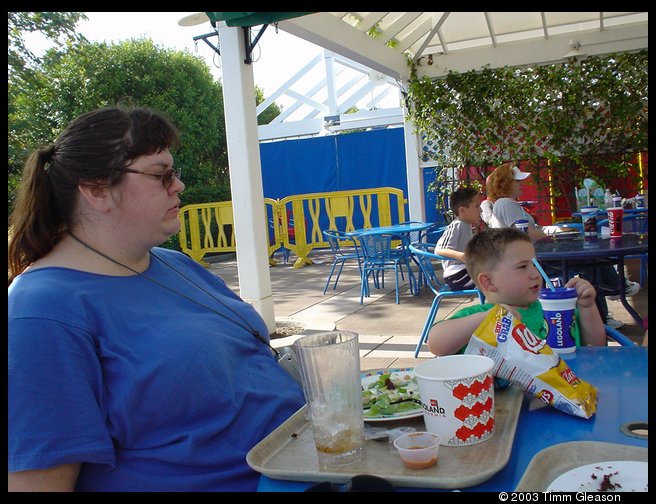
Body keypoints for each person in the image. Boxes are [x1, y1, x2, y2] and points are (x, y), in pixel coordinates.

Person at [8, 106, 305, 492]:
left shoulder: (174, 263)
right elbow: (36, 484)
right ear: (96, 190)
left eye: (174, 172)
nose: (178, 185)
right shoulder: (40, 312)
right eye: (161, 174)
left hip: (315, 461)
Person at [484, 162, 638, 329]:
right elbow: (525, 233)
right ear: (506, 183)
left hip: (535, 257)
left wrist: (552, 231)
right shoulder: (506, 203)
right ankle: (613, 294)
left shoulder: (508, 203)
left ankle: (613, 294)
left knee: (591, 259)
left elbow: (530, 231)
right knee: (589, 261)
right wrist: (554, 233)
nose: (521, 184)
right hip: (534, 261)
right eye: (517, 181)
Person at [427, 227, 606, 356]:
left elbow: (597, 345)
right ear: (488, 282)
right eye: (523, 267)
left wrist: (587, 306)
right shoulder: (478, 316)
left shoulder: (553, 309)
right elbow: (436, 343)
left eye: (535, 265)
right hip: (508, 406)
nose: (535, 274)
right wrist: (490, 317)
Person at [433, 186, 481, 290]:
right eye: (477, 206)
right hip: (457, 276)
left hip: (465, 272)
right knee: (493, 277)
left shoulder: (467, 225)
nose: (480, 210)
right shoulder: (457, 225)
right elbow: (439, 250)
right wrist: (462, 256)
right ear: (462, 210)